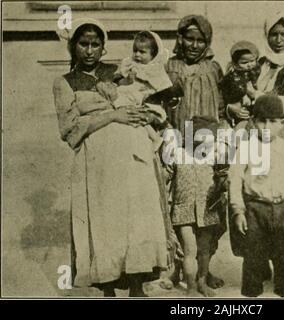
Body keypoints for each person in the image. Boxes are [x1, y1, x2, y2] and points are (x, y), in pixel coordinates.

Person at [53, 18, 171, 297]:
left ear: (104, 47)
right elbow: (68, 128)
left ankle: (136, 282)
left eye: (96, 44)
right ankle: (106, 285)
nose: (90, 50)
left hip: (131, 157)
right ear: (73, 47)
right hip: (96, 161)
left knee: (135, 218)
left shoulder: (120, 71)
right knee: (105, 219)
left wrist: (147, 115)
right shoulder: (65, 82)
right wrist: (112, 115)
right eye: (83, 44)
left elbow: (149, 98)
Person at [165, 14, 227, 290]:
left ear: (207, 42)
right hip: (178, 144)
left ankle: (204, 270)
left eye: (200, 40)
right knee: (180, 210)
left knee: (209, 210)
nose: (193, 44)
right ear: (180, 39)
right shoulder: (169, 67)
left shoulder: (214, 69)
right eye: (188, 38)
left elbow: (224, 107)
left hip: (207, 147)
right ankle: (177, 268)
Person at [229, 94, 284, 297]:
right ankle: (252, 291)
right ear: (253, 121)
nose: (266, 126)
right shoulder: (246, 147)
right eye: (261, 120)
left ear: (282, 123)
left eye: (272, 121)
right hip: (256, 208)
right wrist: (238, 210)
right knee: (253, 254)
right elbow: (235, 179)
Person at [225, 12, 284, 149]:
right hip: (250, 132)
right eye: (273, 34)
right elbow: (235, 91)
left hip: (279, 134)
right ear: (266, 36)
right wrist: (232, 108)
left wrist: (255, 95)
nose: (278, 40)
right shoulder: (259, 63)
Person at [170, 116, 228, 297]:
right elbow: (166, 178)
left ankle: (202, 282)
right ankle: (191, 287)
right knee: (189, 250)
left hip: (207, 209)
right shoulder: (178, 154)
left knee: (204, 250)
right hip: (184, 209)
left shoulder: (214, 157)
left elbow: (223, 178)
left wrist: (223, 184)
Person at [219, 41, 261, 126]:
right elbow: (233, 88)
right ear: (235, 63)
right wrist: (243, 96)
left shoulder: (255, 70)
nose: (249, 65)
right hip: (238, 103)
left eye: (252, 61)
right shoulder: (233, 75)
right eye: (244, 63)